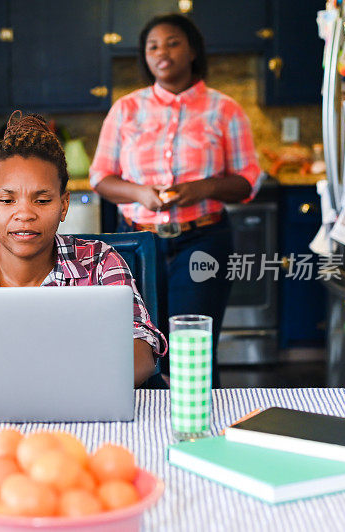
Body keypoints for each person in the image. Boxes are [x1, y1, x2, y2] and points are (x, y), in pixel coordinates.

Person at [0, 113, 167, 390]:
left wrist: (67, 388)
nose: (24, 214)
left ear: (63, 205)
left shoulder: (100, 262)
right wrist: (5, 390)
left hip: (78, 411)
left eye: (42, 200)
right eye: (6, 200)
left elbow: (142, 346)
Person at [89, 14, 262, 388]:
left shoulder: (225, 109)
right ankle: (146, 437)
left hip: (202, 242)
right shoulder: (126, 109)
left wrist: (204, 188)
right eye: (152, 46)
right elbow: (100, 177)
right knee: (139, 347)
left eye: (172, 42)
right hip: (138, 243)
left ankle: (201, 433)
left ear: (193, 50)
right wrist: (138, 193)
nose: (161, 52)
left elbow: (247, 181)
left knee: (192, 348)